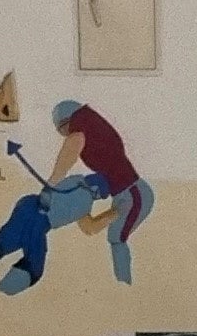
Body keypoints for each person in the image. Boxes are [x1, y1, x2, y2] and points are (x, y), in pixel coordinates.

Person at [43, 99, 152, 284]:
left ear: (65, 123)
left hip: (134, 194)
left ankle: (124, 286)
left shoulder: (79, 130)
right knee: (114, 236)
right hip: (128, 194)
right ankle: (124, 285)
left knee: (116, 238)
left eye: (61, 130)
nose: (63, 135)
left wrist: (50, 186)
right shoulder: (93, 124)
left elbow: (65, 159)